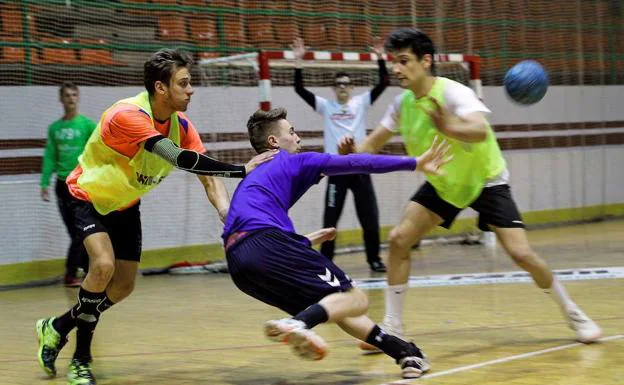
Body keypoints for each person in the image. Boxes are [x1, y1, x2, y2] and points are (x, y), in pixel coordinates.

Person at [337, 27, 602, 350]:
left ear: (426, 61)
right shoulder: (400, 104)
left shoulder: (453, 92)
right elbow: (372, 145)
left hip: (485, 180)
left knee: (521, 253)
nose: (396, 68)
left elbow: (479, 130)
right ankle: (393, 327)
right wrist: (352, 154)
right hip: (445, 183)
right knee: (398, 240)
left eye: (404, 61)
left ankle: (576, 315)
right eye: (394, 61)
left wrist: (447, 125)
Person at [35, 48, 275, 385]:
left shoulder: (182, 125)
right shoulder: (128, 115)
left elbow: (207, 178)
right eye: (184, 83)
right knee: (102, 267)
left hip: (125, 205)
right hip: (86, 197)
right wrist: (240, 170)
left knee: (123, 286)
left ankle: (58, 326)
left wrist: (225, 211)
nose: (191, 89)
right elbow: (176, 158)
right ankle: (80, 360)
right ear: (161, 88)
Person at [222, 107, 451, 379]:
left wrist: (302, 241)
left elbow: (246, 232)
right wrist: (415, 163)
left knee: (333, 305)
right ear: (274, 142)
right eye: (292, 132)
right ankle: (298, 324)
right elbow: (359, 163)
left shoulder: (254, 178)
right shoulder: (295, 161)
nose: (298, 138)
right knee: (355, 298)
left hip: (238, 264)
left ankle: (405, 353)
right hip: (269, 243)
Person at [292, 37, 390, 272]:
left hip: (360, 167)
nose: (343, 86)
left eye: (346, 83)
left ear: (352, 87)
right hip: (336, 169)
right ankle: (326, 261)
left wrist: (379, 57)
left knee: (370, 217)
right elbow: (299, 89)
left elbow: (384, 82)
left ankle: (374, 259)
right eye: (338, 84)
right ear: (333, 88)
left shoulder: (360, 103)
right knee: (330, 219)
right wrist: (298, 61)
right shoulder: (326, 106)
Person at [40, 82, 96, 287]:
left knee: (84, 231)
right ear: (61, 99)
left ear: (78, 97)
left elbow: (98, 150)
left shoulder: (87, 125)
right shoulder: (55, 128)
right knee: (74, 232)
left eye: (74, 95)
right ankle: (78, 272)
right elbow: (49, 157)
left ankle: (76, 272)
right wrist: (44, 182)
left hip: (81, 185)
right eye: (67, 95)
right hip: (61, 186)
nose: (71, 99)